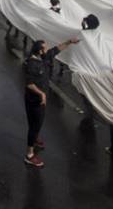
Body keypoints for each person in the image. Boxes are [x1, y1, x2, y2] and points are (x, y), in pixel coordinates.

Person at [23, 37, 81, 167]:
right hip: (34, 100)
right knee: (34, 126)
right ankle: (29, 155)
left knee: (37, 123)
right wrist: (41, 94)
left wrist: (69, 42)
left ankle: (35, 138)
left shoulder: (43, 57)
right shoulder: (32, 64)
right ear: (40, 51)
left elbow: (57, 49)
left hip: (40, 100)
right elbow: (30, 84)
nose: (48, 49)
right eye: (45, 47)